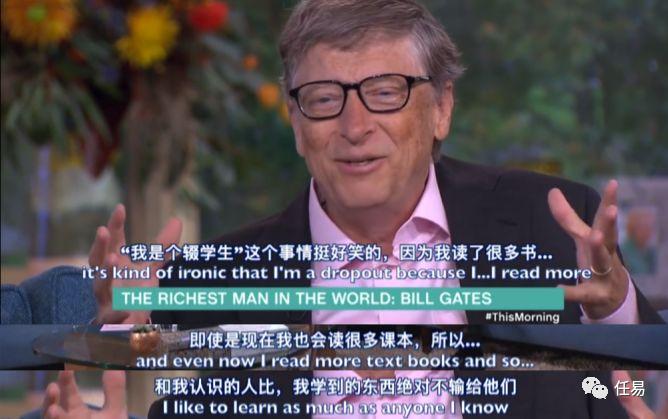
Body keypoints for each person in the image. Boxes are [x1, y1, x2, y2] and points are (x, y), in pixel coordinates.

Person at [42, 0, 663, 417]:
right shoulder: (223, 280)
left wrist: (615, 315)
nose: (355, 126)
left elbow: (621, 390)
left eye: (386, 92)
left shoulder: (548, 227)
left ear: (441, 108)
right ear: (296, 123)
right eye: (323, 98)